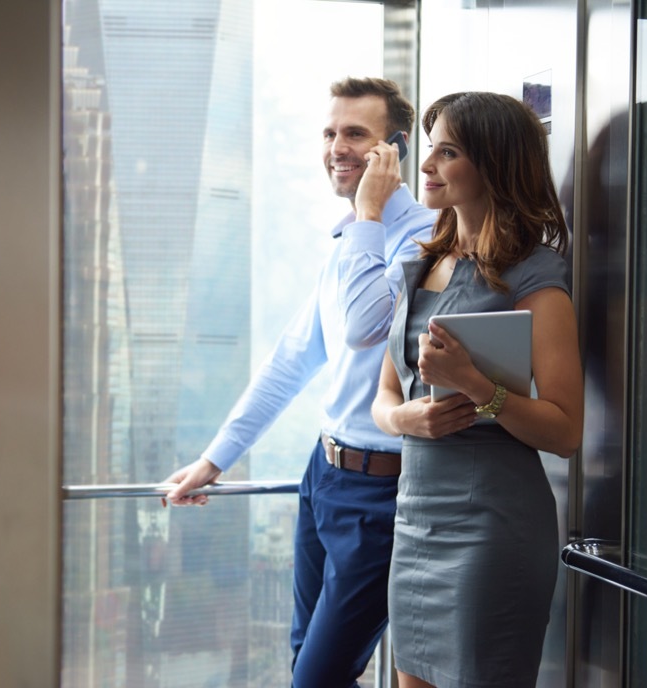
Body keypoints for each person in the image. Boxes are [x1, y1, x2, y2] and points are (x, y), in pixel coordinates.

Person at [162, 76, 436, 687]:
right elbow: (292, 359)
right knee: (305, 667)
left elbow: (367, 327)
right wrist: (215, 459)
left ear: (391, 151)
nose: (337, 147)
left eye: (356, 134)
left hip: (381, 494)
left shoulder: (422, 239)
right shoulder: (347, 243)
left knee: (317, 677)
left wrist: (368, 212)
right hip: (324, 476)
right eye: (330, 132)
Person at [371, 91, 584, 688]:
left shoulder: (533, 274)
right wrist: (405, 421)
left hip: (492, 528)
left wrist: (472, 384)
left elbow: (566, 431)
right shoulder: (416, 265)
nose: (426, 166)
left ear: (492, 163)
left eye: (448, 152)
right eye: (430, 150)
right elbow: (383, 399)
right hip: (414, 522)